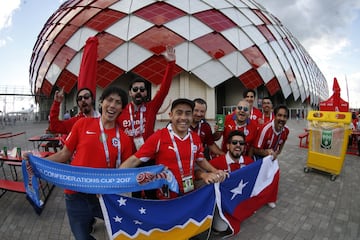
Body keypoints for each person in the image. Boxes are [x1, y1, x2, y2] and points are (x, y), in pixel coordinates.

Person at [29, 86, 134, 240]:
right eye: (109, 100)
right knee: (81, 237)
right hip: (75, 195)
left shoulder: (124, 138)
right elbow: (64, 154)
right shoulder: (82, 124)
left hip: (103, 196)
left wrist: (110, 186)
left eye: (118, 102)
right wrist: (38, 162)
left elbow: (125, 171)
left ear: (121, 109)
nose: (112, 105)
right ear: (101, 102)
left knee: (124, 229)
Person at [120, 98, 228, 199]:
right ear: (171, 115)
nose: (184, 118)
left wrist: (215, 171)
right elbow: (134, 160)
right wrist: (113, 179)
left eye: (188, 113)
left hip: (189, 193)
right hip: (166, 197)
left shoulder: (195, 137)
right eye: (179, 113)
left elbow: (200, 159)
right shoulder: (159, 136)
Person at [117, 45, 176, 199]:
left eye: (142, 89)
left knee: (151, 193)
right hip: (131, 160)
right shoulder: (120, 111)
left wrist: (170, 64)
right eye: (135, 89)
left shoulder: (151, 108)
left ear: (146, 92)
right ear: (130, 92)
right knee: (135, 193)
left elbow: (164, 90)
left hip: (149, 158)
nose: (138, 92)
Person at [209, 130, 254, 234]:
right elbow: (199, 174)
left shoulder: (249, 162)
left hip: (239, 200)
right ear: (228, 146)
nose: (238, 145)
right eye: (234, 143)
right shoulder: (216, 163)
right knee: (221, 228)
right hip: (223, 204)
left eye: (241, 143)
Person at [250, 104, 290, 208]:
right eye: (279, 115)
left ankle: (270, 198)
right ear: (274, 116)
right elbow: (255, 149)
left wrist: (277, 153)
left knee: (275, 175)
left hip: (271, 156)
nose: (282, 118)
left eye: (284, 116)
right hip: (259, 157)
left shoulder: (286, 130)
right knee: (259, 179)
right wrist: (268, 153)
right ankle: (255, 200)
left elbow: (282, 143)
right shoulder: (266, 129)